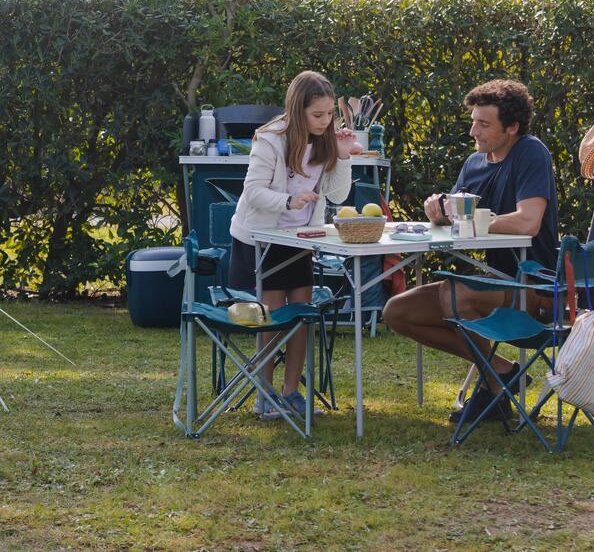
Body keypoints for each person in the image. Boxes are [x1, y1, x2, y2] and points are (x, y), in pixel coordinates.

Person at [382, 78, 559, 430]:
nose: (472, 132)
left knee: (453, 295)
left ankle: (494, 386)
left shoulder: (530, 152)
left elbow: (529, 222)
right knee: (397, 311)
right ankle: (501, 373)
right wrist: (439, 212)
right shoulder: (475, 163)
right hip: (494, 282)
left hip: (537, 287)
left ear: (512, 127)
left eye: (483, 124)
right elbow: (456, 226)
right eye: (473, 121)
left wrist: (471, 222)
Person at [229, 71, 353, 420]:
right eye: (318, 115)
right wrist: (288, 200)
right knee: (272, 317)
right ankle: (264, 395)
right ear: (298, 110)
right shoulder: (269, 140)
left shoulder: (326, 140)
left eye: (330, 114)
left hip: (299, 240)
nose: (325, 121)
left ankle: (291, 393)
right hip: (262, 239)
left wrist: (343, 156)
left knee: (301, 316)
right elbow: (252, 191)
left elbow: (339, 195)